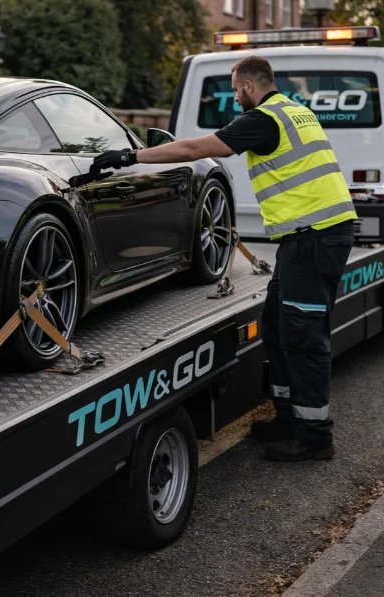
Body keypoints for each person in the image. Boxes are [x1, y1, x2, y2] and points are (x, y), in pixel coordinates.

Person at [92, 56, 357, 462]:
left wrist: (132, 158)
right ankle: (290, 419)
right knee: (277, 326)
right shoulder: (294, 111)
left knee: (304, 336)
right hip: (306, 238)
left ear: (250, 86)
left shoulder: (264, 119)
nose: (235, 97)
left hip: (316, 239)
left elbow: (196, 148)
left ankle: (314, 435)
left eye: (236, 89)